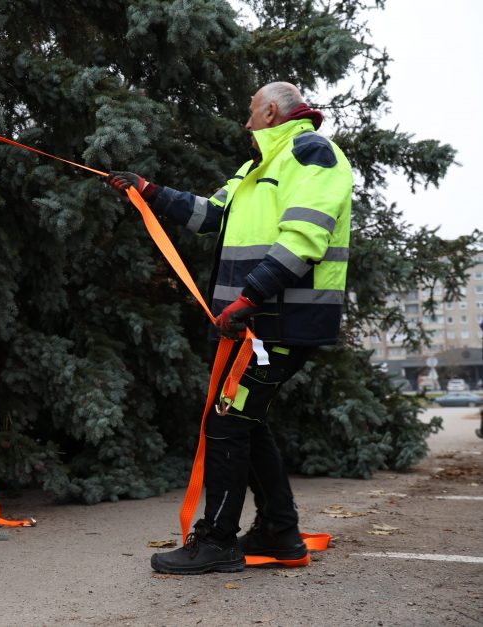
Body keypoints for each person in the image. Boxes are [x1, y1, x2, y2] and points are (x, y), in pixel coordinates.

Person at [107, 82, 352, 574]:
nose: (245, 122)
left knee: (227, 420)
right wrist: (149, 190)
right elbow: (209, 215)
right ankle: (281, 534)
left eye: (249, 111)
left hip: (280, 320)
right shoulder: (256, 167)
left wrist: (249, 297)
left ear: (268, 110)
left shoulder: (311, 154)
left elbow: (305, 237)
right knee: (245, 419)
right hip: (257, 319)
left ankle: (219, 540)